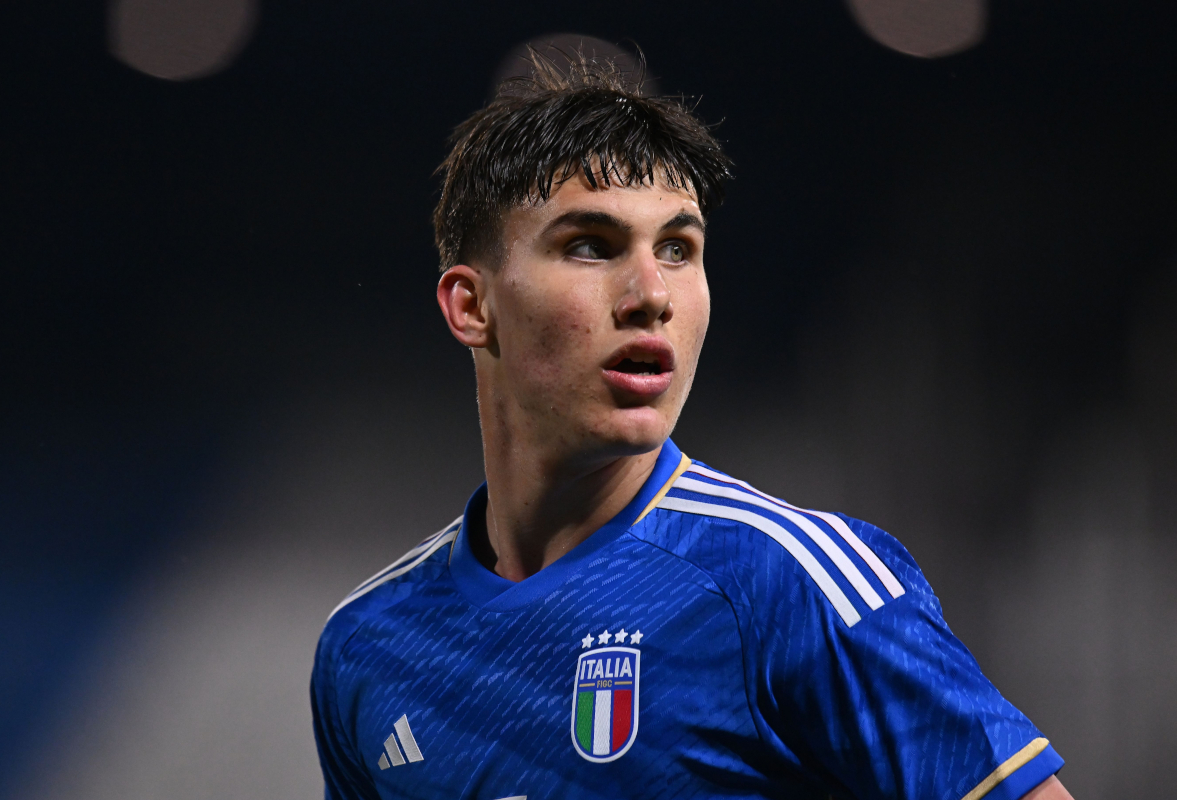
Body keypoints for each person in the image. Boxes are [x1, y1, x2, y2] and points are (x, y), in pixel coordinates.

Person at [311, 54, 1073, 800]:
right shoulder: (367, 645)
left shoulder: (786, 585)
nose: (653, 293)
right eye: (591, 246)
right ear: (472, 306)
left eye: (679, 249)